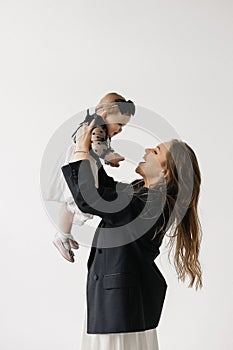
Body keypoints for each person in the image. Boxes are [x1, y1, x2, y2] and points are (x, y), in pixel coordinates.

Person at [61, 120, 203, 349]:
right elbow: (105, 188)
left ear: (165, 171)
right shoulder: (141, 192)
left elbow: (92, 199)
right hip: (115, 308)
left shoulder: (153, 204)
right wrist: (95, 151)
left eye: (156, 151)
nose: (147, 150)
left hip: (120, 312)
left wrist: (80, 149)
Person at [48, 92, 135, 262]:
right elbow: (97, 146)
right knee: (75, 200)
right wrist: (110, 157)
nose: (119, 130)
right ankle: (62, 235)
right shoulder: (97, 125)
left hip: (85, 161)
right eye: (119, 124)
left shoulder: (98, 124)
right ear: (105, 115)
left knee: (71, 202)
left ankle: (64, 234)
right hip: (80, 161)